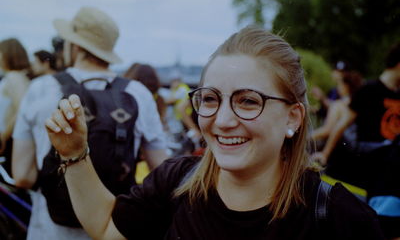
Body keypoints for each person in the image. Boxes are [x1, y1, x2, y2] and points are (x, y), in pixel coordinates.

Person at [45, 26, 384, 240]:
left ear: (293, 117)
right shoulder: (175, 182)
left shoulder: (339, 217)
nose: (222, 120)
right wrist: (74, 151)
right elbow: (106, 227)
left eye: (248, 101)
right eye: (209, 99)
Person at [12, 6, 169, 240]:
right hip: (116, 228)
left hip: (50, 230)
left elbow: (22, 175)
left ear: (74, 46)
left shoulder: (41, 89)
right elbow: (163, 169)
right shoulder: (138, 94)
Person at [312, 42, 400, 240]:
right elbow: (340, 126)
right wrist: (325, 154)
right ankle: (386, 222)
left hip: (392, 160)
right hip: (373, 157)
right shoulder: (369, 90)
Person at [0, 38, 31, 173]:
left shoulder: (13, 77)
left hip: (9, 141)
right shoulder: (19, 76)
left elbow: (22, 109)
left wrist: (3, 136)